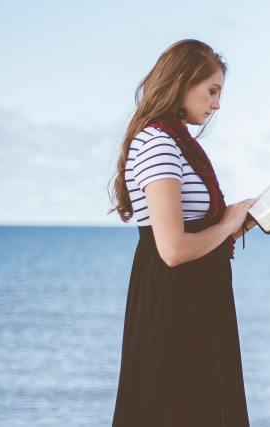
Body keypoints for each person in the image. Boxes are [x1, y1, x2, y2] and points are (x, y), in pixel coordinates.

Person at [106, 39, 257, 426]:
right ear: (182, 82)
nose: (217, 104)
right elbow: (172, 248)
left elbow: (193, 231)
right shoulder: (157, 142)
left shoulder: (175, 142)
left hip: (195, 298)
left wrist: (238, 223)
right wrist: (226, 225)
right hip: (175, 302)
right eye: (212, 91)